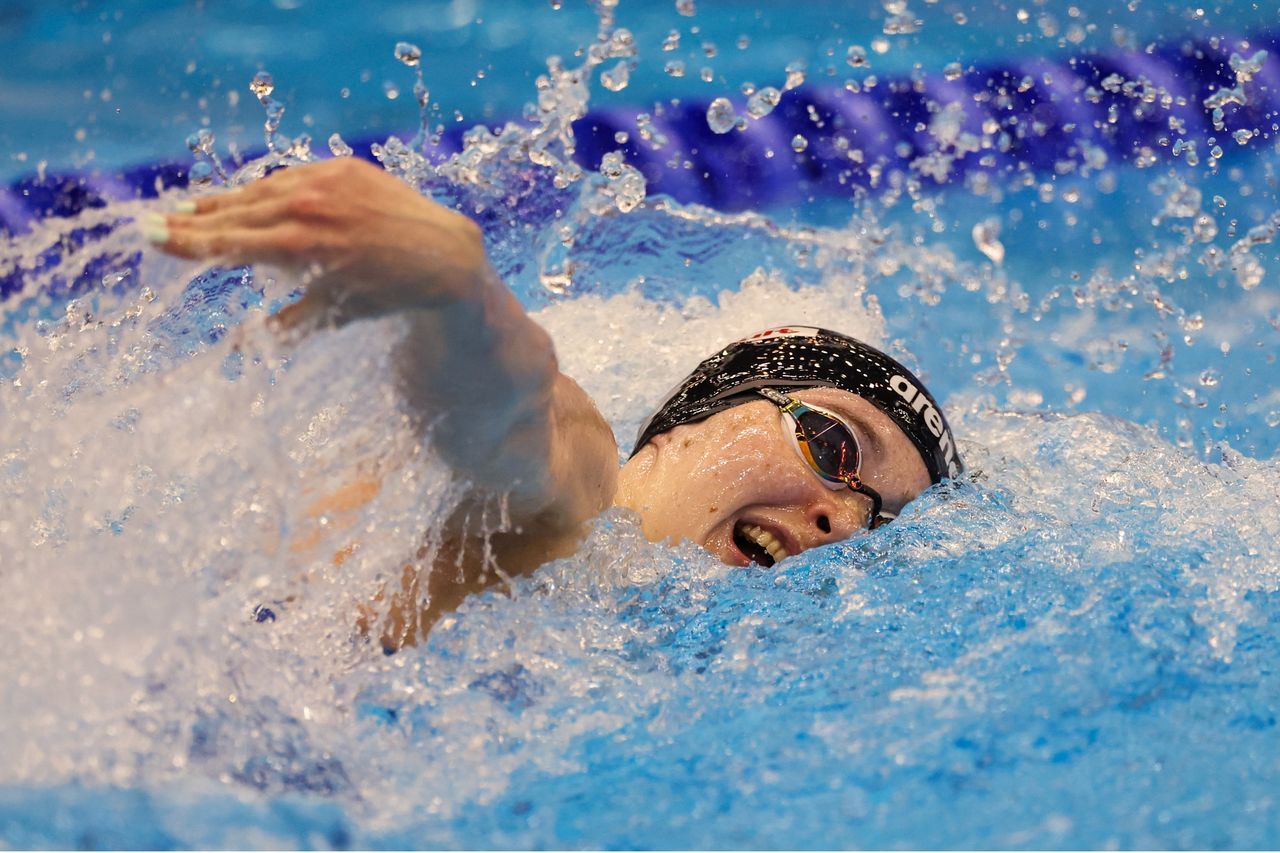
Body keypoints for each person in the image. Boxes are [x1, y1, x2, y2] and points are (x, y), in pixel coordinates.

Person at [141, 158, 963, 646]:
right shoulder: (578, 501)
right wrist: (458, 294)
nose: (845, 523)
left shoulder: (619, 635)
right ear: (684, 429)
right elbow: (522, 419)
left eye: (878, 522)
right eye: (834, 447)